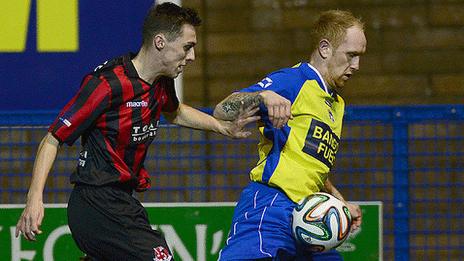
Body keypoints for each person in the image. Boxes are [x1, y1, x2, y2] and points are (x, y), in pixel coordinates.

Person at [15, 2, 259, 261]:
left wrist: (221, 126)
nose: (192, 57)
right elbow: (52, 138)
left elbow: (174, 112)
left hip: (123, 203)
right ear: (160, 42)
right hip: (95, 205)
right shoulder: (107, 85)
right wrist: (34, 200)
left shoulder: (161, 82)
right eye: (187, 47)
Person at [214, 10, 367, 260]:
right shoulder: (294, 81)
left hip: (311, 217)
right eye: (351, 55)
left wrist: (338, 201)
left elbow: (309, 164)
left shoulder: (336, 104)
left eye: (360, 57)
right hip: (272, 207)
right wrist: (260, 96)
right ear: (325, 48)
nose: (356, 65)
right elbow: (222, 109)